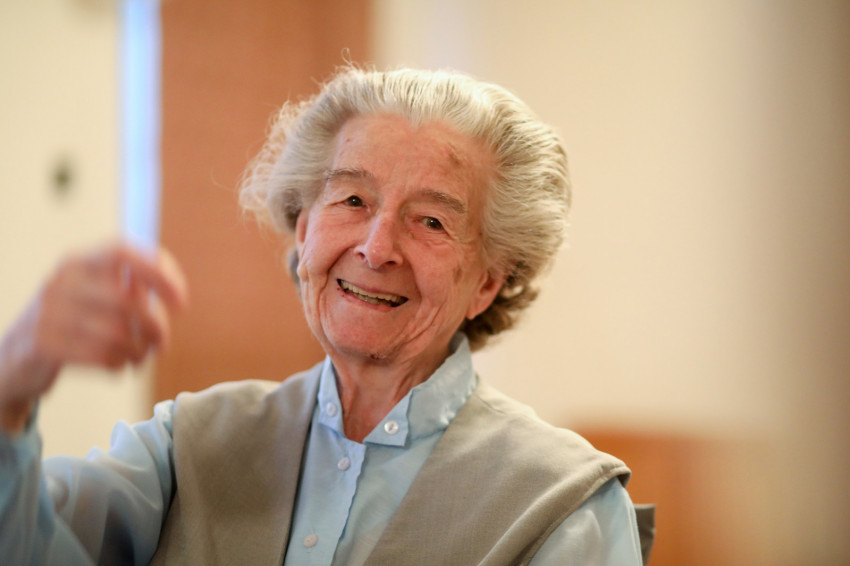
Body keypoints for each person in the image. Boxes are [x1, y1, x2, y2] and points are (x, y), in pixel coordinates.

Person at [0, 67, 646, 565]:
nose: (377, 247)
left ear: (487, 282)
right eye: (352, 199)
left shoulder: (563, 507)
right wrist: (14, 379)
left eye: (430, 221)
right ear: (305, 228)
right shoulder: (187, 445)